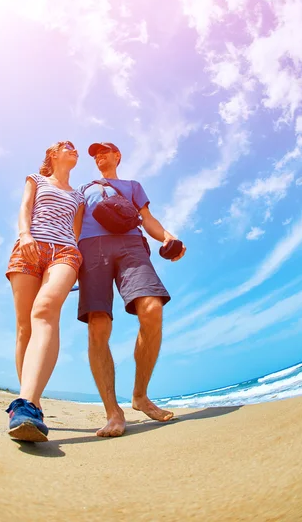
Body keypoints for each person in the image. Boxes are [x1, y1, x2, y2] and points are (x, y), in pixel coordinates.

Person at [75, 142, 186, 437]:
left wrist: (168, 237)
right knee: (98, 325)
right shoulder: (83, 188)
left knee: (151, 308)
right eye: (95, 154)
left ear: (117, 156)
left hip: (130, 244)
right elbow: (74, 222)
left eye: (104, 152)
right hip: (91, 248)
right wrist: (69, 254)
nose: (99, 156)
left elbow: (147, 219)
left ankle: (140, 395)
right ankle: (113, 412)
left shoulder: (132, 185)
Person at [5, 140, 84, 442]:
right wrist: (24, 235)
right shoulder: (35, 179)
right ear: (53, 154)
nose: (73, 149)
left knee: (45, 311)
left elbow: (75, 233)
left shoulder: (79, 196)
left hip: (65, 253)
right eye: (67, 145)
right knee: (25, 328)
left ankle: (25, 406)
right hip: (29, 246)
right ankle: (31, 401)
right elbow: (26, 207)